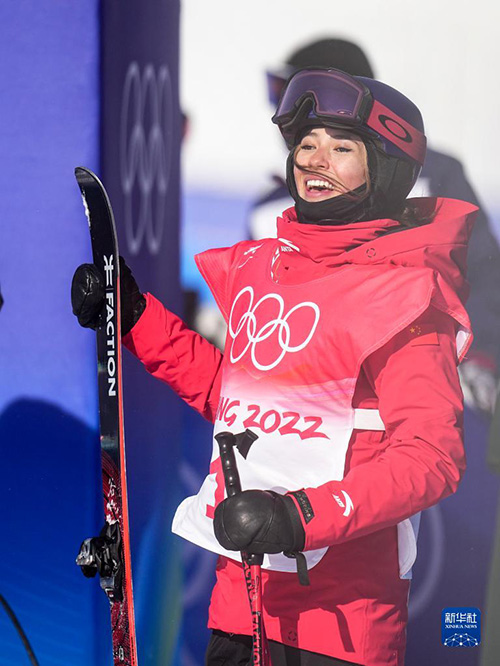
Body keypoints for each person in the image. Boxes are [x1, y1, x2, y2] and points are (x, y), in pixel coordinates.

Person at [72, 68, 477, 665]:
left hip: (341, 626)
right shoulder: (271, 271)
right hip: (241, 604)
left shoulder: (408, 298)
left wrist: (301, 514)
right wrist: (134, 318)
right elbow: (233, 396)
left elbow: (431, 457)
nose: (316, 160)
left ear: (387, 169)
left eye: (342, 148)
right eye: (306, 144)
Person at [250, 38, 500, 416]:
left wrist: (480, 357)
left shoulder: (434, 178)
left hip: (430, 380)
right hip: (313, 401)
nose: (283, 111)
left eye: (290, 93)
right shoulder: (267, 211)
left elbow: (481, 271)